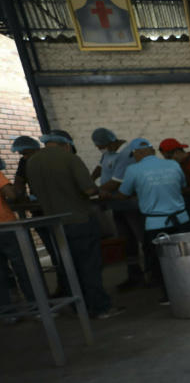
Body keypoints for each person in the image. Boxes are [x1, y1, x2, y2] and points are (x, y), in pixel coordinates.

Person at [24, 131, 122, 319]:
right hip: (79, 220)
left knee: (69, 266)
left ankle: (79, 307)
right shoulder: (69, 158)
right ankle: (100, 307)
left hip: (54, 224)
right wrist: (101, 192)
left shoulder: (32, 162)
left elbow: (35, 191)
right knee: (89, 266)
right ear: (67, 143)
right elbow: (88, 189)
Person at [113, 138, 189, 304]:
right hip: (181, 220)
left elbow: (123, 194)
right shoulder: (173, 165)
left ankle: (169, 296)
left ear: (137, 154)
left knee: (160, 261)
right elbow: (182, 184)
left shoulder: (133, 169)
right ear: (153, 151)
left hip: (156, 224)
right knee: (185, 256)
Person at [91, 127, 145, 290]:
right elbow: (100, 167)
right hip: (116, 204)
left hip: (130, 204)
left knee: (142, 238)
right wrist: (89, 181)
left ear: (111, 141)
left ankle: (154, 274)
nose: (101, 149)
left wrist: (95, 191)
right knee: (126, 243)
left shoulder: (126, 154)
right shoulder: (110, 152)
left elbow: (117, 182)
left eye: (102, 146)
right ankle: (134, 275)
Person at [12, 135, 64, 294]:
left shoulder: (48, 159)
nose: (25, 157)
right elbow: (19, 183)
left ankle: (71, 287)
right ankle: (63, 286)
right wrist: (20, 195)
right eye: (23, 154)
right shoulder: (25, 163)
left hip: (58, 210)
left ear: (36, 149)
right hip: (39, 211)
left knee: (65, 251)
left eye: (27, 153)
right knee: (54, 252)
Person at [0, 167, 35, 322]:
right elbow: (11, 195)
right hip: (5, 225)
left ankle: (7, 313)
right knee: (22, 266)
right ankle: (37, 306)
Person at [158, 138, 190, 230]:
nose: (168, 161)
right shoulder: (181, 164)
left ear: (177, 152)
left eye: (169, 157)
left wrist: (177, 191)